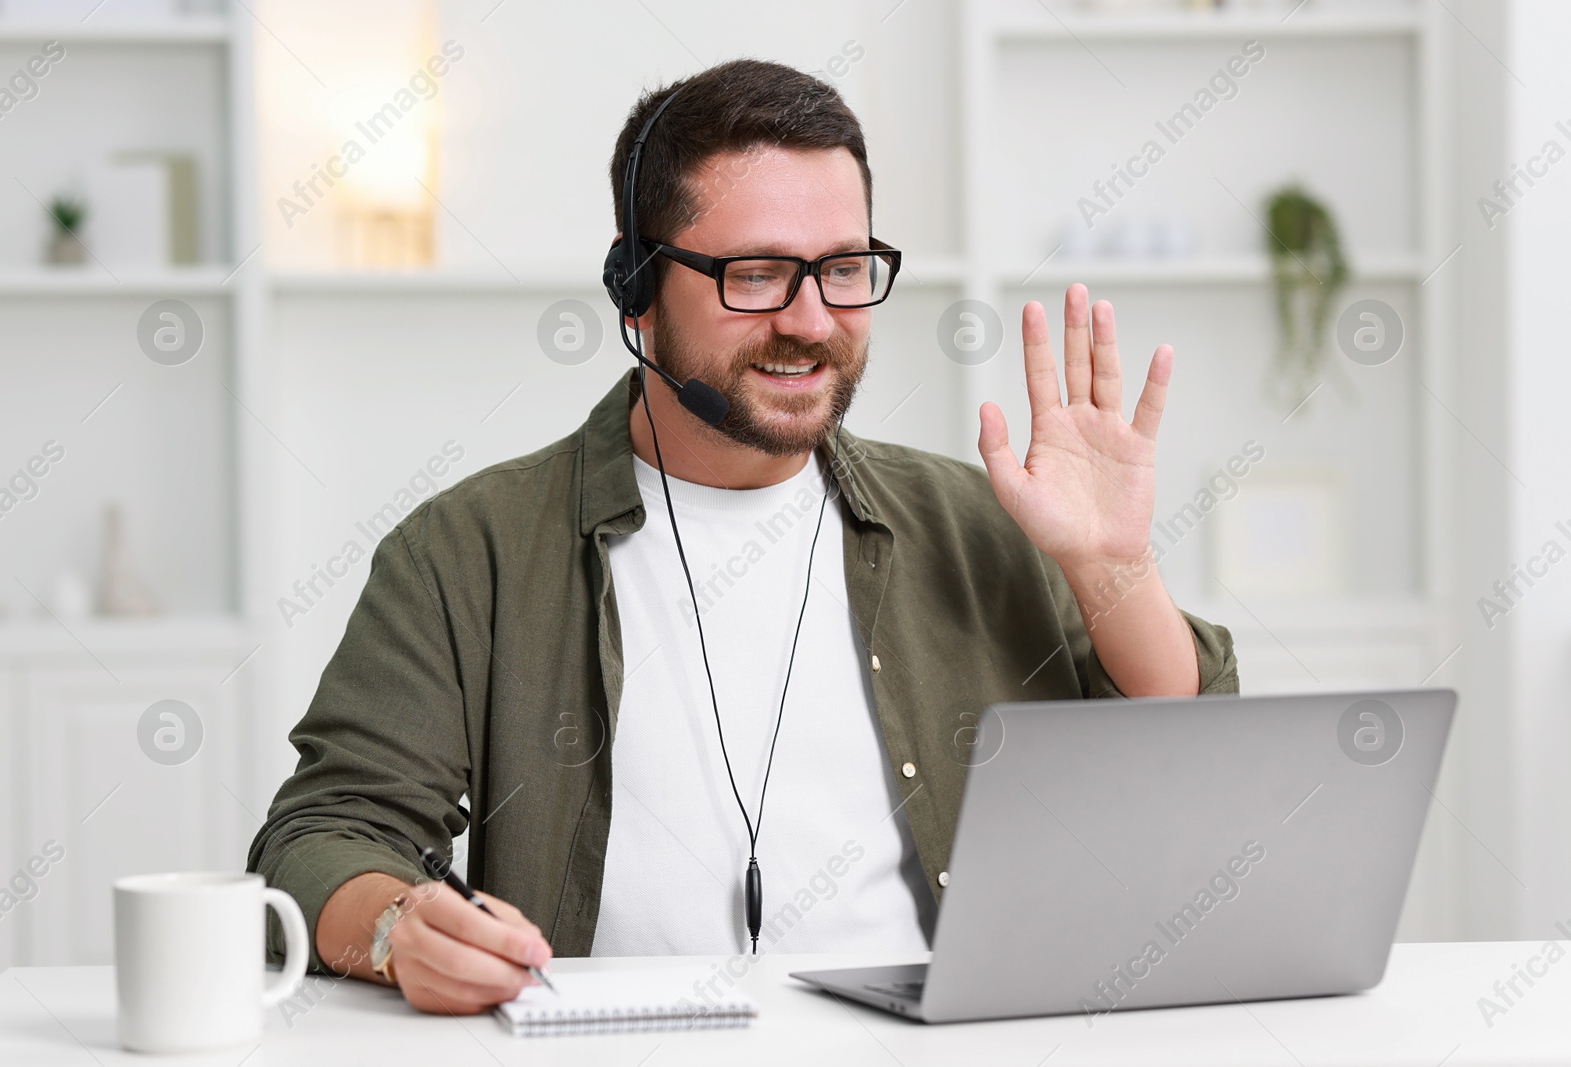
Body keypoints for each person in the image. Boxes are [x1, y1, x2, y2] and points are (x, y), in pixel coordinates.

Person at [247, 57, 1238, 1017]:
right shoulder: (471, 548)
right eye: (756, 275)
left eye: (844, 269)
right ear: (635, 289)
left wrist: (1113, 571)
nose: (811, 321)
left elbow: (1183, 767)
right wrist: (395, 926)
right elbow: (320, 834)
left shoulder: (980, 518)